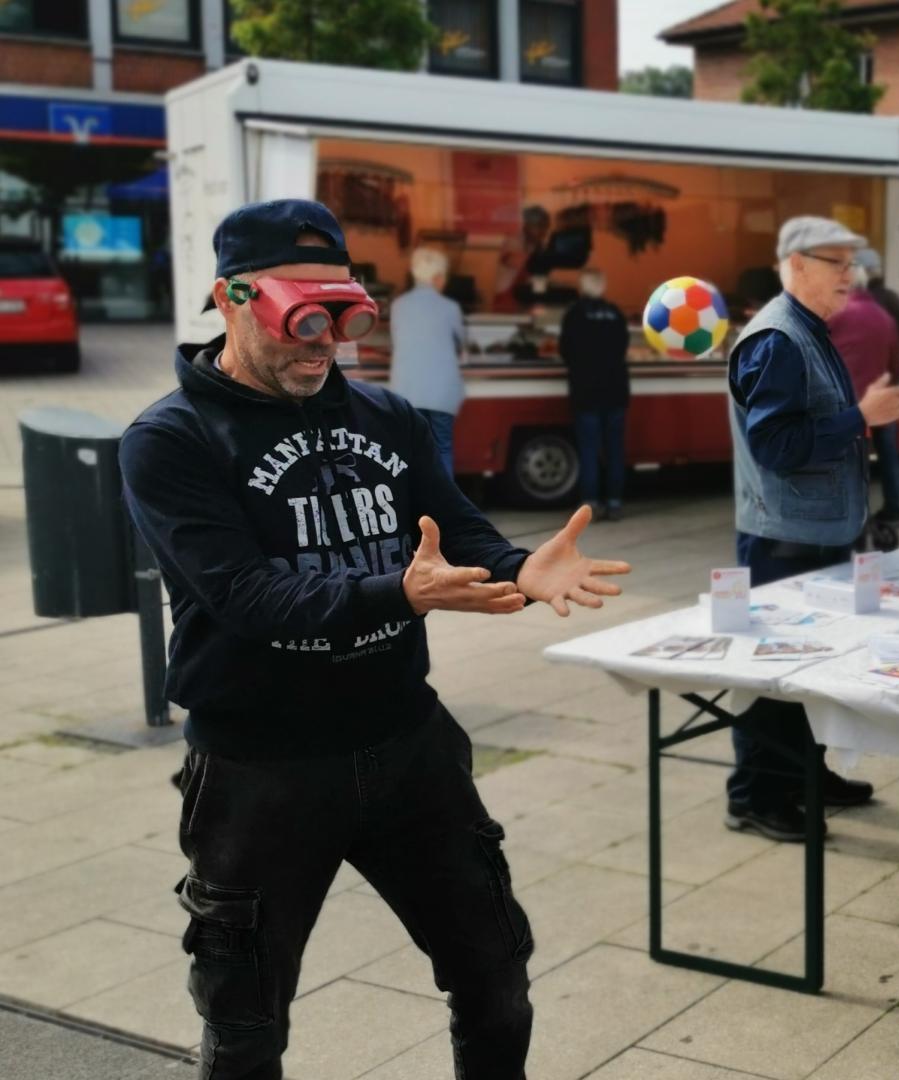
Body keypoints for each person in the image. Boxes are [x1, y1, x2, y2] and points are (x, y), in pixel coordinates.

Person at [120, 199, 632, 1080]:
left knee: (496, 976)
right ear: (232, 298)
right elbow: (246, 596)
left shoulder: (385, 416)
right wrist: (397, 590)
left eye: (342, 317)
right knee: (245, 1025)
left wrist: (521, 568)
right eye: (301, 319)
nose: (323, 345)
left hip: (406, 745)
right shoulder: (170, 440)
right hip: (259, 770)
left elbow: (456, 531)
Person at [724, 215, 899, 841]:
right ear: (797, 264)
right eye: (837, 263)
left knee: (811, 670)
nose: (850, 276)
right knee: (774, 676)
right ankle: (756, 797)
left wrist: (859, 418)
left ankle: (806, 774)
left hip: (812, 532)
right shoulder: (778, 338)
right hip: (785, 540)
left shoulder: (806, 328)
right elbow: (775, 446)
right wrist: (859, 416)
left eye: (852, 264)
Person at [829, 259, 899, 525]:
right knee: (889, 456)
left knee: (853, 461)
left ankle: (854, 515)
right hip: (882, 399)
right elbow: (897, 363)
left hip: (849, 402)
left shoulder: (837, 314)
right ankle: (894, 509)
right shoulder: (885, 318)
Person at [388, 247, 468, 479]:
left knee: (412, 450)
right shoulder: (450, 308)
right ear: (438, 278)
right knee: (442, 447)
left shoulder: (398, 306)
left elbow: (396, 341)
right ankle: (444, 500)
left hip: (407, 389)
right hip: (442, 391)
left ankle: (415, 499)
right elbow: (462, 345)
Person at [560, 268, 633, 521]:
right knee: (615, 449)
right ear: (603, 286)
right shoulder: (615, 313)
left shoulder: (575, 313)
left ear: (582, 287)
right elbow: (623, 346)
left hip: (586, 391)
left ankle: (590, 504)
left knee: (589, 450)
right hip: (616, 389)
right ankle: (614, 502)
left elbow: (565, 350)